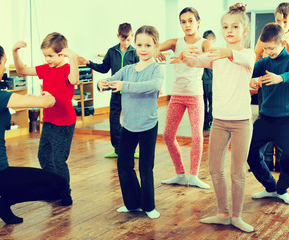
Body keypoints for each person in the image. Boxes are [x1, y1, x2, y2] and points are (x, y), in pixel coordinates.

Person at [0, 41, 69, 225]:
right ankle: (3, 204)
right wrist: (48, 95)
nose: (4, 67)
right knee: (58, 184)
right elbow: (47, 103)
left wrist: (23, 100)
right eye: (3, 62)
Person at [172, 3, 255, 232]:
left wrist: (222, 51)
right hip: (219, 121)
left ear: (244, 30)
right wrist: (184, 55)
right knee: (214, 168)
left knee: (237, 172)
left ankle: (237, 217)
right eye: (225, 26)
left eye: (235, 26)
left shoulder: (247, 54)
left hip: (241, 123)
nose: (229, 30)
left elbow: (242, 59)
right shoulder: (216, 56)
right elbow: (194, 62)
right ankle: (223, 213)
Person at [97, 25, 164, 219]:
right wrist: (102, 84)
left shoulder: (156, 70)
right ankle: (132, 203)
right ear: (134, 45)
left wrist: (124, 86)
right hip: (128, 125)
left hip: (148, 125)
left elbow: (153, 86)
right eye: (140, 44)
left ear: (155, 46)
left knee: (145, 167)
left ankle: (149, 205)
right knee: (123, 164)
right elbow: (111, 80)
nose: (143, 49)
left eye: (148, 45)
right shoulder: (127, 70)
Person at [12, 32, 79, 205]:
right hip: (48, 121)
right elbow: (21, 71)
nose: (47, 59)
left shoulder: (66, 69)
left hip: (64, 123)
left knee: (58, 160)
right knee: (43, 156)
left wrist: (73, 58)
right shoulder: (45, 69)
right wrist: (15, 52)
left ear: (61, 54)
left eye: (50, 56)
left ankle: (65, 193)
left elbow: (74, 79)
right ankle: (53, 187)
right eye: (45, 55)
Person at [159, 7, 212, 189]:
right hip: (177, 95)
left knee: (197, 136)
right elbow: (154, 48)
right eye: (183, 21)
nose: (187, 25)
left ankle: (194, 175)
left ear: (198, 22)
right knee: (167, 135)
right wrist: (156, 51)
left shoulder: (204, 43)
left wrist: (190, 56)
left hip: (195, 95)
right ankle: (180, 173)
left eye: (191, 20)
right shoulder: (176, 42)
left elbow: (210, 56)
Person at [248, 23, 289, 205]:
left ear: (282, 42)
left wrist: (281, 78)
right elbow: (248, 75)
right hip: (265, 118)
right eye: (265, 48)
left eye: (271, 47)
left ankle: (282, 189)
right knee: (251, 155)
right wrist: (253, 82)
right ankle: (270, 187)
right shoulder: (263, 63)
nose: (268, 51)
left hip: (286, 119)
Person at [254, 2, 289, 172]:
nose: (281, 25)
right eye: (278, 21)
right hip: (266, 86)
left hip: (284, 90)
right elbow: (257, 55)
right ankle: (267, 161)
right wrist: (256, 79)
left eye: (285, 22)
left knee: (282, 130)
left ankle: (280, 163)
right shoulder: (266, 34)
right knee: (266, 122)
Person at [78, 23, 139, 158]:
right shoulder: (112, 52)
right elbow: (104, 68)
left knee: (131, 122)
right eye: (123, 39)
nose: (126, 43)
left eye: (128, 39)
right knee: (114, 121)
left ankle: (132, 150)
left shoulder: (135, 53)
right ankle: (117, 149)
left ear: (132, 36)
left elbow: (140, 71)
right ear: (118, 36)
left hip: (130, 93)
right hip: (116, 92)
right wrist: (88, 62)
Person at [202, 30, 216, 130]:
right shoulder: (212, 52)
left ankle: (204, 124)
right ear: (210, 39)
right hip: (210, 81)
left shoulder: (200, 51)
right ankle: (209, 123)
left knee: (202, 103)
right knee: (212, 103)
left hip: (200, 81)